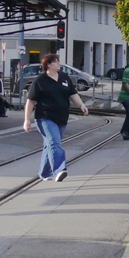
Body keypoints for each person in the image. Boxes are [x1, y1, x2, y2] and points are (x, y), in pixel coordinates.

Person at [23, 53, 88, 182]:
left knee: (50, 145)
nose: (59, 63)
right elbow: (30, 101)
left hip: (62, 117)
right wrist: (27, 120)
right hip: (45, 118)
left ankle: (44, 172)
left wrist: (81, 105)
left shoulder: (64, 77)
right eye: (56, 62)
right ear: (48, 65)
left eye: (58, 61)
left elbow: (73, 94)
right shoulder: (40, 81)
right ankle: (59, 170)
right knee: (54, 143)